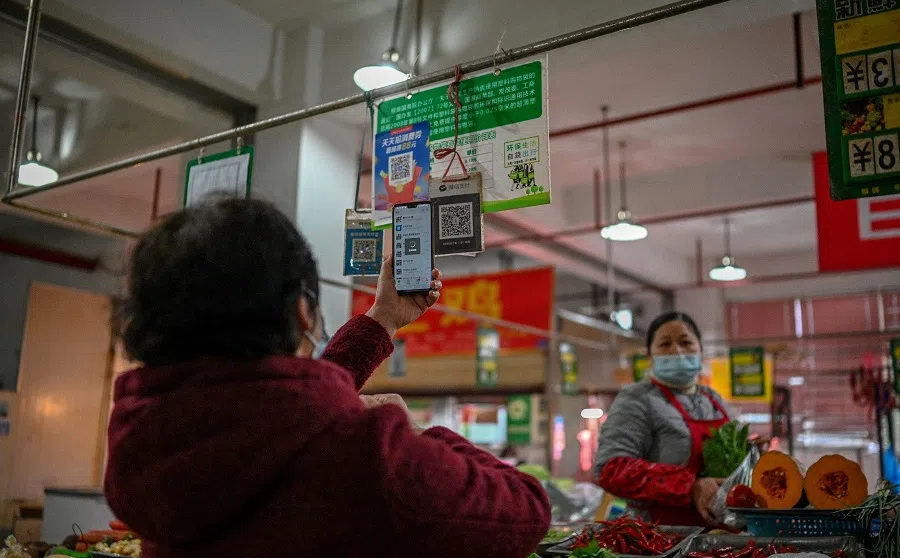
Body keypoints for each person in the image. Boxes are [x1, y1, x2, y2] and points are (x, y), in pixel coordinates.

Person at [105, 197, 550, 558]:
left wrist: (382, 319)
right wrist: (420, 435)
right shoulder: (368, 456)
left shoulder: (150, 438)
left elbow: (278, 417)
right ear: (302, 312)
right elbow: (524, 511)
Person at [593, 311, 731, 526]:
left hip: (719, 533)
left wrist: (750, 454)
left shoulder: (712, 399)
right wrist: (690, 486)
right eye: (665, 344)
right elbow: (611, 469)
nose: (676, 350)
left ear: (700, 351)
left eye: (685, 342)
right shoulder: (637, 399)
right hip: (660, 536)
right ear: (650, 356)